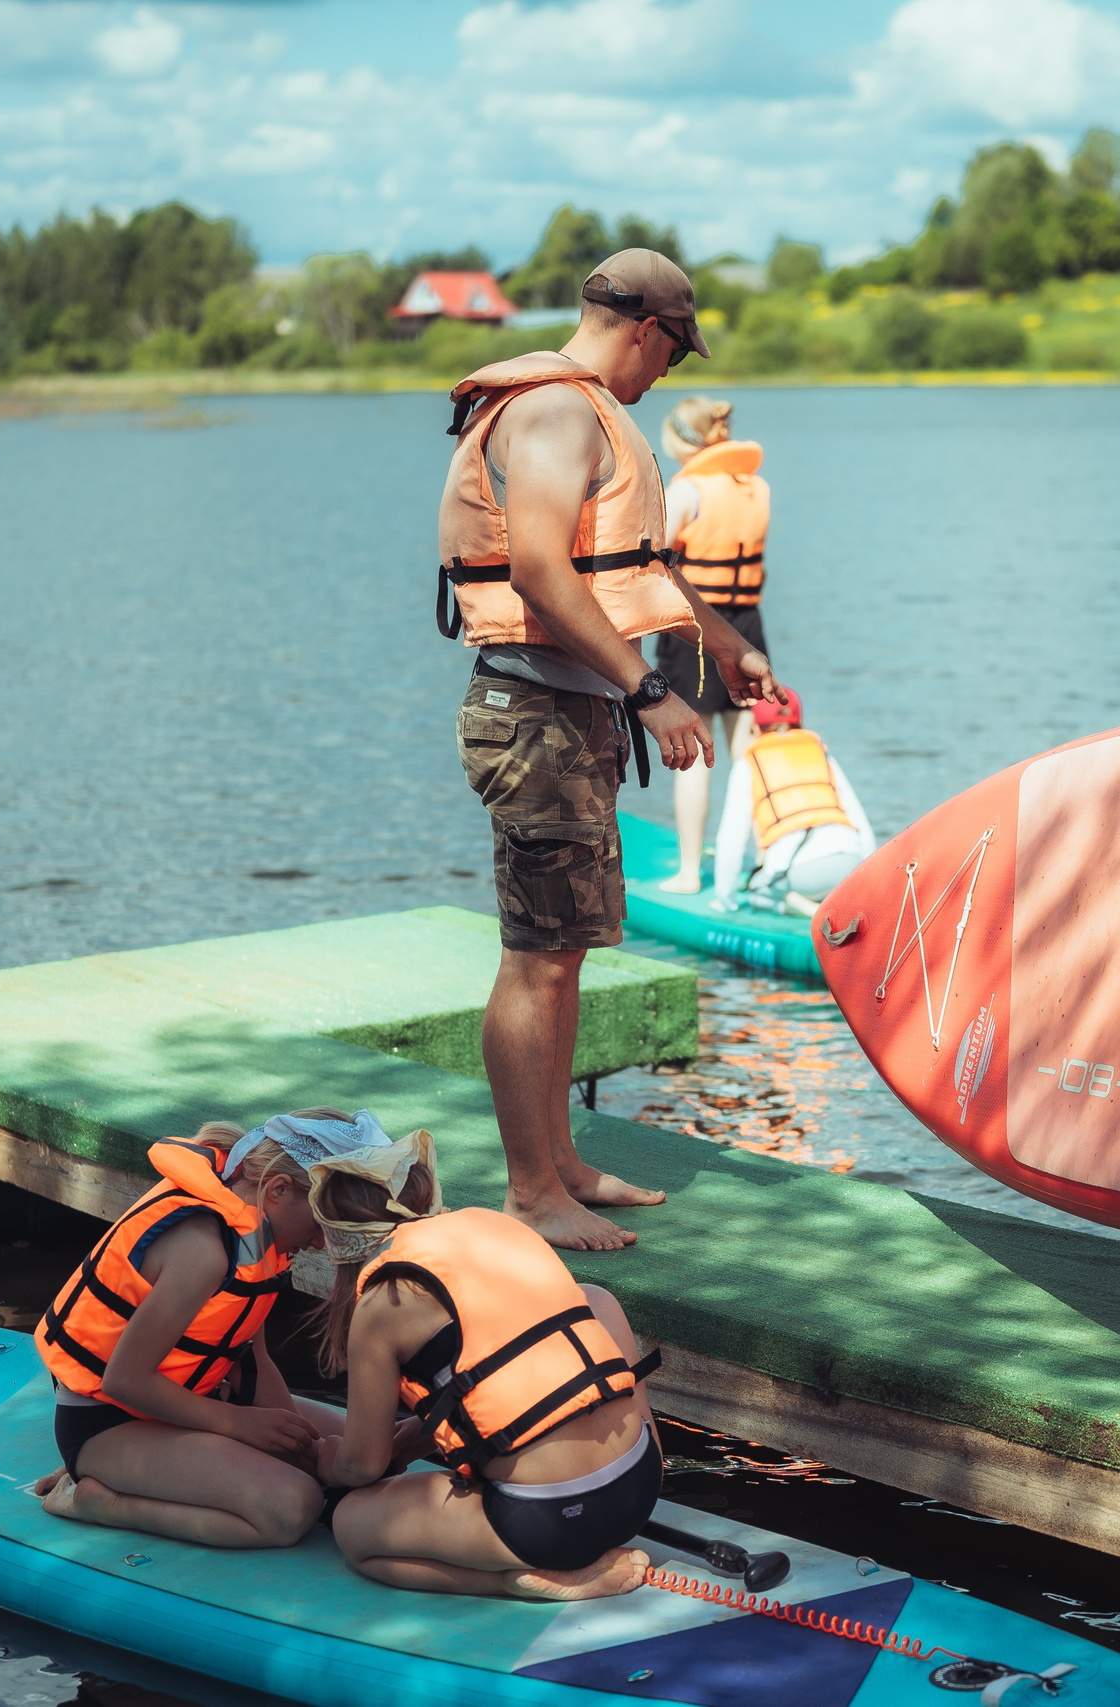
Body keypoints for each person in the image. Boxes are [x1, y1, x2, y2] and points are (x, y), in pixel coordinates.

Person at [436, 248, 782, 1253]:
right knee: (536, 961)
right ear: (646, 329)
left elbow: (636, 558)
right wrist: (652, 689)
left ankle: (562, 1164)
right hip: (533, 717)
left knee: (568, 954)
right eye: (673, 353)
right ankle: (530, 1192)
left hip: (571, 718)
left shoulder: (593, 412)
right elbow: (543, 572)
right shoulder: (552, 411)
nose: (668, 375)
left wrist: (725, 647)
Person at [31, 1111, 370, 1547]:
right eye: (324, 1223)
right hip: (107, 1422)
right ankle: (102, 1497)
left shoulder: (257, 1238)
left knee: (351, 1448)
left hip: (192, 1400)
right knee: (292, 1506)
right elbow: (123, 1380)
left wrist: (297, 1445)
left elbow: (253, 1359)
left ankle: (155, 1473)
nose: (325, 1243)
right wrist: (236, 1425)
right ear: (278, 1191)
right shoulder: (203, 1253)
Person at [316, 1195, 659, 1602]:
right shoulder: (494, 1227)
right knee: (593, 1298)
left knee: (351, 1525)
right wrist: (420, 1434)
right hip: (641, 1490)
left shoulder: (381, 1303)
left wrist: (329, 1462)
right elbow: (521, 1371)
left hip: (550, 1527)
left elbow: (362, 1466)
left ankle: (516, 1580)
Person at [652, 396, 773, 894]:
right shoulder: (757, 487)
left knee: (694, 750)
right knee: (751, 753)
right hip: (748, 627)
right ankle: (768, 862)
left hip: (693, 627)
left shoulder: (686, 491)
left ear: (681, 439)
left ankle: (686, 872)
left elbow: (650, 560)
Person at [710, 689, 875, 916]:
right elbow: (860, 822)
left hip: (800, 873)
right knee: (831, 884)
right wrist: (869, 878)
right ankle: (834, 901)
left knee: (756, 891)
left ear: (756, 728)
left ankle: (797, 905)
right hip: (848, 862)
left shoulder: (748, 764)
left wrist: (724, 899)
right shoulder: (822, 753)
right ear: (799, 724)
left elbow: (732, 839)